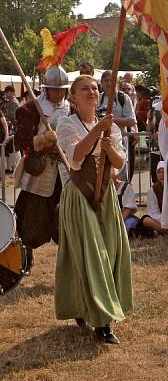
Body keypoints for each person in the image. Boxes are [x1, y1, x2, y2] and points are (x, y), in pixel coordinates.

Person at [55, 74, 133, 344]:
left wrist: (109, 149)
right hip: (79, 195)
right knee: (90, 255)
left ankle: (94, 306)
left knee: (110, 251)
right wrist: (98, 131)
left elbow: (120, 163)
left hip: (106, 196)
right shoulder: (66, 123)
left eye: (95, 88)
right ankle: (103, 322)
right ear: (74, 98)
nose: (91, 92)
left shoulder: (111, 127)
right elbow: (75, 159)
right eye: (84, 88)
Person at [14, 65, 70, 270]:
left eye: (62, 89)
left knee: (66, 216)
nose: (58, 93)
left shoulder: (71, 108)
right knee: (28, 220)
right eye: (54, 89)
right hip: (39, 173)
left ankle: (69, 262)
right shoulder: (30, 109)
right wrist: (41, 140)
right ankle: (22, 260)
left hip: (64, 172)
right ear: (45, 89)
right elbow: (20, 142)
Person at [99, 70, 137, 181]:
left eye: (111, 80)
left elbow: (132, 120)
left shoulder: (123, 98)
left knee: (119, 175)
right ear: (101, 83)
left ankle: (120, 197)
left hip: (119, 143)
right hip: (100, 142)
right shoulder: (98, 98)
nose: (108, 83)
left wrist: (111, 120)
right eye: (105, 80)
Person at [142, 161, 166, 235]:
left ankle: (161, 230)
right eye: (159, 172)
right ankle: (166, 231)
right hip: (159, 219)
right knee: (146, 220)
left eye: (164, 172)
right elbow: (153, 212)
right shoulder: (152, 190)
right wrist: (163, 221)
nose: (161, 174)